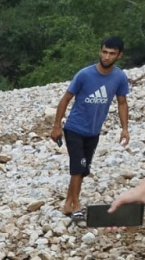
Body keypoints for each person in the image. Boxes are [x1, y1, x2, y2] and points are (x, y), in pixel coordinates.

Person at [51, 36, 130, 221]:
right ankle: (77, 206)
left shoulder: (119, 77)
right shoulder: (84, 75)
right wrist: (56, 127)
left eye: (112, 53)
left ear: (119, 55)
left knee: (82, 170)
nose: (107, 57)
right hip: (75, 128)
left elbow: (122, 102)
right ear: (100, 51)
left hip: (94, 131)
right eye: (104, 52)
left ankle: (68, 204)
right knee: (78, 167)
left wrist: (124, 128)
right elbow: (66, 99)